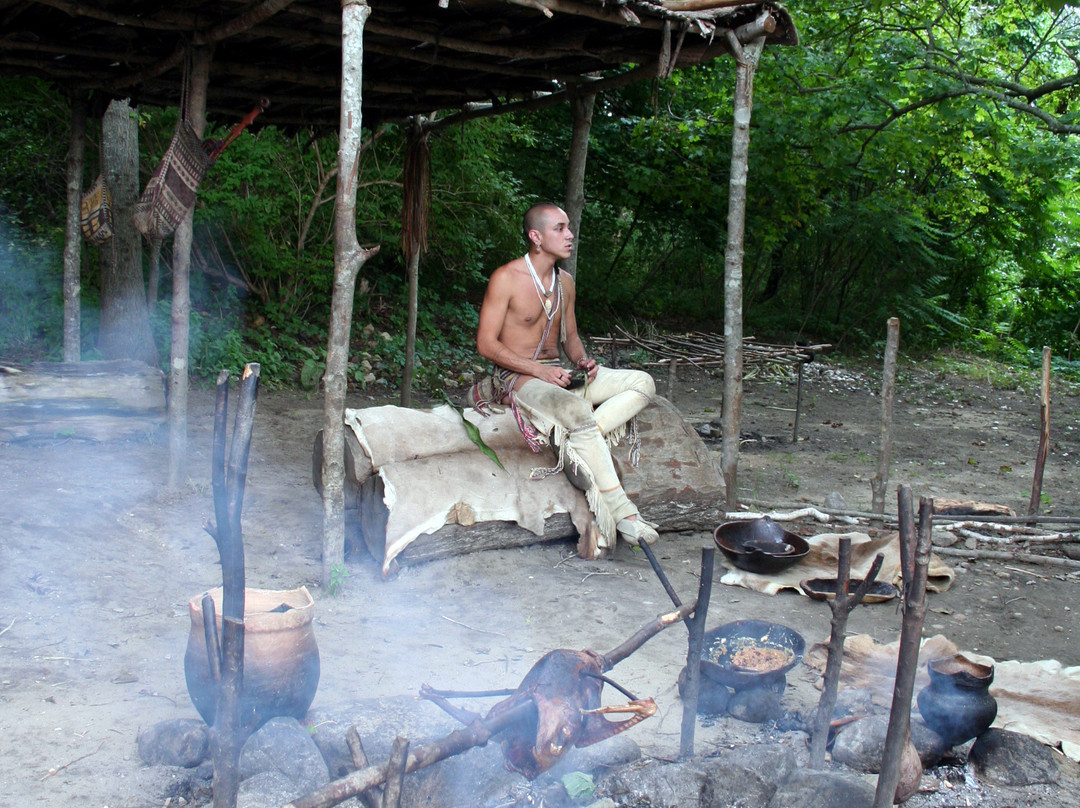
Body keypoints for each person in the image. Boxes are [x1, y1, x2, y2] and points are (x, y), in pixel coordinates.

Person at [473, 202, 658, 554]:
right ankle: (623, 513)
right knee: (576, 413)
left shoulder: (565, 282)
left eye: (569, 227)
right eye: (560, 228)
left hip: (560, 374)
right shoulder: (506, 278)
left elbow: (570, 337)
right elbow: (485, 343)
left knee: (642, 383)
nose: (570, 234)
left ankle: (583, 440)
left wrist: (583, 360)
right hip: (519, 378)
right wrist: (539, 370)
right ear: (536, 237)